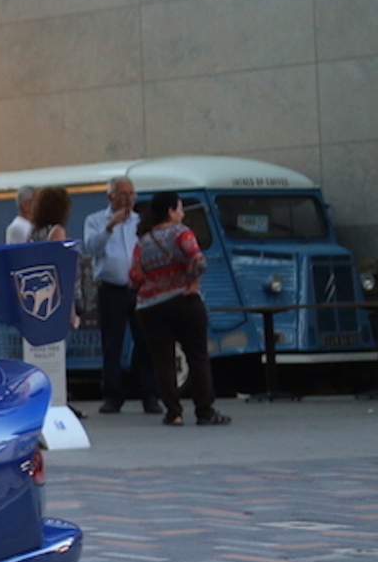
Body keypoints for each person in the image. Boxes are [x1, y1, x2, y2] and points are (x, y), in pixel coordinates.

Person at [132, 190, 229, 426]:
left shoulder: (143, 241)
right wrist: (192, 282)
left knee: (162, 360)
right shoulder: (181, 233)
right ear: (171, 211)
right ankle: (204, 411)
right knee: (197, 356)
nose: (183, 213)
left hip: (151, 306)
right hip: (184, 301)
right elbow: (198, 260)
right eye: (180, 208)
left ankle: (173, 412)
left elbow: (134, 275)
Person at [81, 176, 160, 414]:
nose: (128, 199)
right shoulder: (95, 220)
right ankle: (113, 396)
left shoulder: (140, 221)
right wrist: (110, 227)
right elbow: (90, 248)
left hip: (138, 289)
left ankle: (150, 395)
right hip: (111, 289)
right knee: (112, 345)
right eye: (123, 194)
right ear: (110, 197)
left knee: (145, 343)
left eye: (131, 194)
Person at [21, 186, 77, 415]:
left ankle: (44, 400)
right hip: (55, 300)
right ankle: (59, 401)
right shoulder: (57, 231)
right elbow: (59, 270)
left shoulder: (33, 232)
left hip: (36, 302)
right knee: (57, 355)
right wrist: (70, 307)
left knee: (40, 355)